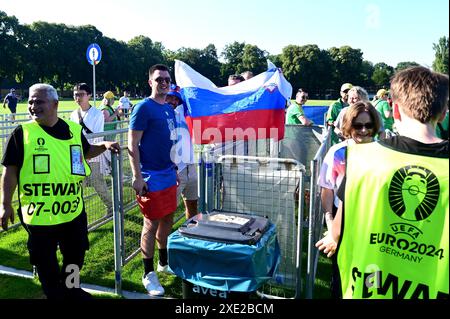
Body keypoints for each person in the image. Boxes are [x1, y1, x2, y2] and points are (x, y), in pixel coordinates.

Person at [316, 66, 449, 299]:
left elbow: (338, 227)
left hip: (365, 286)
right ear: (444, 112)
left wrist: (333, 234)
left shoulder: (361, 160)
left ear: (395, 110)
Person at [0, 83, 120, 299]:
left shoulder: (73, 130)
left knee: (75, 257)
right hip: (39, 218)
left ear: (55, 104)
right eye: (30, 102)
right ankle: (57, 294)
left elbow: (85, 151)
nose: (33, 106)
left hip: (72, 213)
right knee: (46, 264)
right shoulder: (22, 133)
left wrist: (103, 145)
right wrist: (5, 204)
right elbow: (10, 172)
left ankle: (71, 288)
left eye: (39, 101)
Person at [317, 101, 381, 298]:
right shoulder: (337, 152)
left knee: (373, 272)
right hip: (341, 220)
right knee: (342, 272)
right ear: (348, 126)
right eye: (357, 125)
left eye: (368, 125)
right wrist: (330, 222)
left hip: (374, 221)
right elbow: (327, 190)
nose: (363, 130)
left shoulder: (385, 153)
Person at [128, 64, 177, 297]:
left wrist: (174, 167)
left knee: (168, 218)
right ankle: (148, 274)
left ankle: (163, 262)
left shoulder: (168, 108)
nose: (164, 82)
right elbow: (132, 145)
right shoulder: (143, 108)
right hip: (151, 176)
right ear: (150, 82)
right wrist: (138, 176)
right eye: (159, 79)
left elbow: (168, 142)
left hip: (168, 173)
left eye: (167, 79)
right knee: (151, 223)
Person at [70, 83, 113, 215]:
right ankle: (78, 211)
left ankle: (111, 206)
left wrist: (89, 154)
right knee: (77, 184)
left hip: (93, 153)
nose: (78, 97)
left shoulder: (96, 114)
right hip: (77, 155)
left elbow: (98, 135)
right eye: (76, 95)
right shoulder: (73, 114)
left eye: (81, 94)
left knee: (97, 182)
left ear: (89, 95)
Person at [166, 84, 198, 219]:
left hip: (190, 166)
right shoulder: (161, 117)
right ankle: (164, 239)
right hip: (175, 169)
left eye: (176, 99)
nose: (174, 101)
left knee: (192, 206)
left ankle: (189, 234)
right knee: (168, 212)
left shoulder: (183, 114)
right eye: (170, 97)